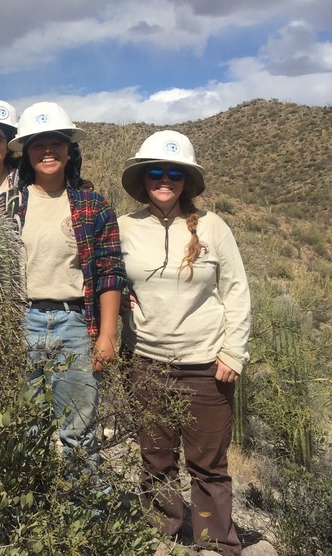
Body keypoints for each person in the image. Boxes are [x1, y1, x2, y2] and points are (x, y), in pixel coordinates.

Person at [119, 130, 251, 556]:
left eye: (173, 173)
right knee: (155, 458)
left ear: (185, 180)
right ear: (143, 179)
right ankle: (163, 536)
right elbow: (104, 279)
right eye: (155, 172)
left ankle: (215, 544)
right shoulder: (124, 227)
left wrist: (233, 352)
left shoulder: (213, 227)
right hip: (147, 361)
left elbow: (236, 292)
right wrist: (122, 298)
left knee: (208, 463)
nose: (164, 180)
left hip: (206, 364)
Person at [1, 102, 125, 460]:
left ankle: (83, 510)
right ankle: (35, 510)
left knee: (78, 431)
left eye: (56, 142)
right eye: (38, 144)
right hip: (21, 322)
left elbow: (110, 271)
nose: (48, 151)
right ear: (26, 154)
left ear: (70, 151)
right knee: (25, 428)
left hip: (74, 324)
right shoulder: (7, 205)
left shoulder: (93, 206)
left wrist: (107, 334)